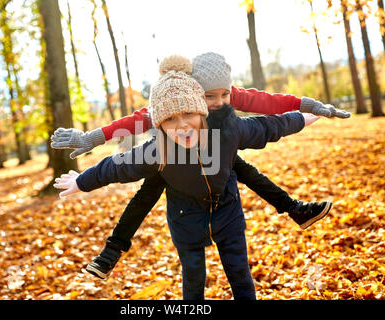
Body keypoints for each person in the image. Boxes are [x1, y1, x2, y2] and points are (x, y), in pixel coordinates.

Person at [52, 53, 344, 280]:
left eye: (224, 95)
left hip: (218, 150)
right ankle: (112, 250)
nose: (218, 102)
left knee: (244, 171)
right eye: (209, 97)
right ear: (196, 91)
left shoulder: (222, 99)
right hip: (174, 157)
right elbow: (139, 123)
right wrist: (94, 137)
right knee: (147, 191)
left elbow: (264, 106)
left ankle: (294, 208)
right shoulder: (181, 96)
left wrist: (308, 106)